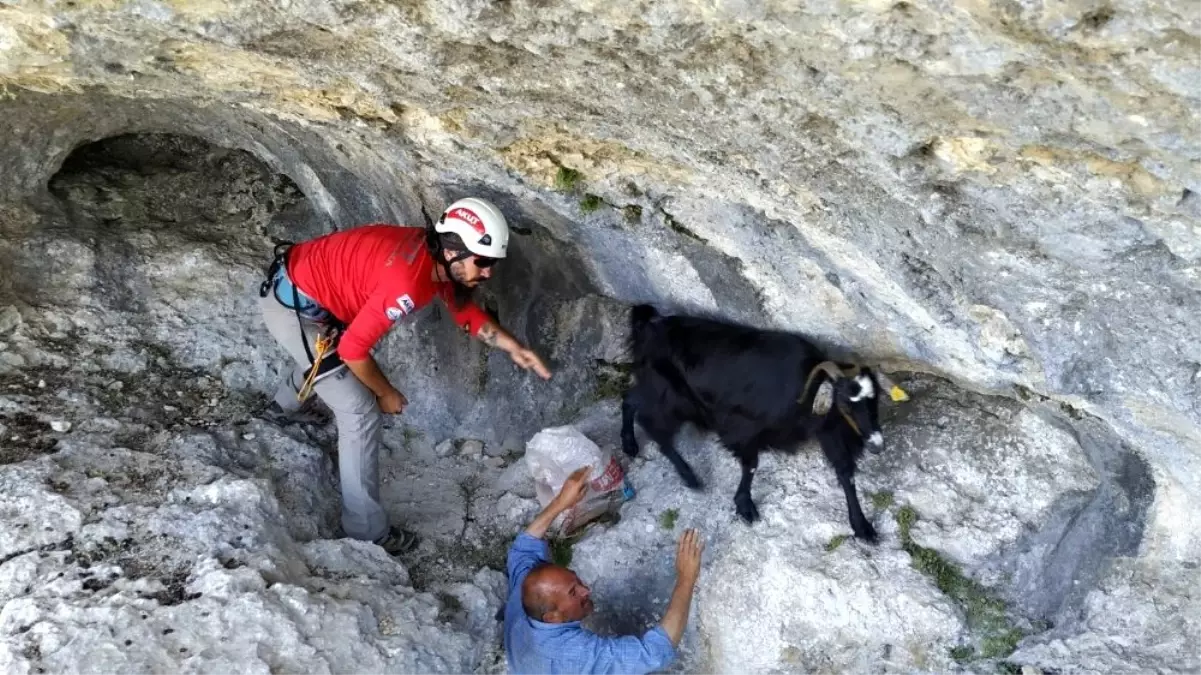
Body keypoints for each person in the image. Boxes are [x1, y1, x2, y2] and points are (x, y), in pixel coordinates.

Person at [256, 197, 551, 555]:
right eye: (483, 261)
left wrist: (511, 346)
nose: (488, 273)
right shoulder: (407, 281)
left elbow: (463, 311)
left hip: (309, 298)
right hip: (294, 309)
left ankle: (279, 411)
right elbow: (352, 351)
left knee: (321, 358)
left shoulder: (431, 257)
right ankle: (367, 532)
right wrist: (385, 393)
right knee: (358, 409)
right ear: (454, 251)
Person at [504, 467, 705, 675]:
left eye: (576, 582)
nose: (586, 589)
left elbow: (524, 546)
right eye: (573, 592)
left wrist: (562, 502)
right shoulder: (574, 656)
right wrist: (686, 577)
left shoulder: (525, 590)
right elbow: (653, 653)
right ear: (552, 618)